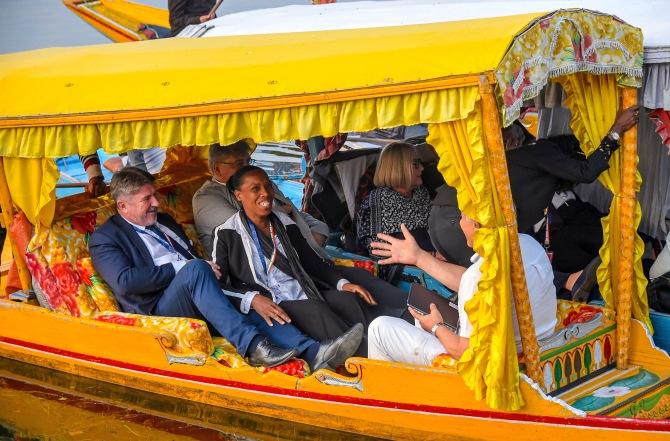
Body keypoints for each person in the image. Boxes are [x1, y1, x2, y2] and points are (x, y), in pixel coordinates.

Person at [89, 167, 362, 371]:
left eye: (155, 196)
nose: (156, 204)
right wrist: (184, 268)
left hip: (198, 289)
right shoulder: (106, 238)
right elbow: (126, 282)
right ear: (123, 206)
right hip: (159, 309)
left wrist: (239, 290)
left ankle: (314, 351)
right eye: (147, 199)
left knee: (249, 301)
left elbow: (191, 258)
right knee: (197, 270)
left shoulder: (163, 221)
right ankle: (254, 347)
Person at [192, 141, 409, 315]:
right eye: (240, 163)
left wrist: (310, 240)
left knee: (361, 278)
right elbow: (254, 227)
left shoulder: (260, 183)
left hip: (304, 257)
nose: (248, 167)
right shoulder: (207, 198)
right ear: (217, 168)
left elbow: (296, 214)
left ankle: (410, 312)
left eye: (249, 160)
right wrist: (289, 224)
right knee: (347, 297)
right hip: (274, 275)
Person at [212, 165, 383, 353]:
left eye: (267, 186)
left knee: (348, 300)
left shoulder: (283, 221)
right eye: (255, 189)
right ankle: (367, 357)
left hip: (304, 288)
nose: (266, 193)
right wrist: (252, 299)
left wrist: (342, 283)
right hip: (275, 302)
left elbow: (312, 261)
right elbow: (218, 285)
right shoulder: (227, 233)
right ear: (238, 195)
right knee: (317, 310)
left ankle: (383, 341)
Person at [367, 217, 557, 365]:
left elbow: (465, 353)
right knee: (420, 322)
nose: (460, 222)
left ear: (475, 224)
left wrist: (436, 326)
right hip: (542, 344)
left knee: (379, 329)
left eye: (462, 216)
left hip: (494, 366)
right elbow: (479, 285)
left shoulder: (476, 277)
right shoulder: (529, 244)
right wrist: (418, 257)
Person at [504, 106, 640, 300]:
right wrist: (615, 131)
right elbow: (586, 172)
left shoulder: (496, 163)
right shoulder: (537, 152)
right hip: (541, 237)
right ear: (513, 137)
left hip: (523, 236)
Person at [357, 142, 433, 257]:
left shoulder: (421, 192)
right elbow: (378, 252)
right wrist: (432, 256)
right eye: (415, 164)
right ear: (399, 168)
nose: (422, 168)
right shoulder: (378, 201)